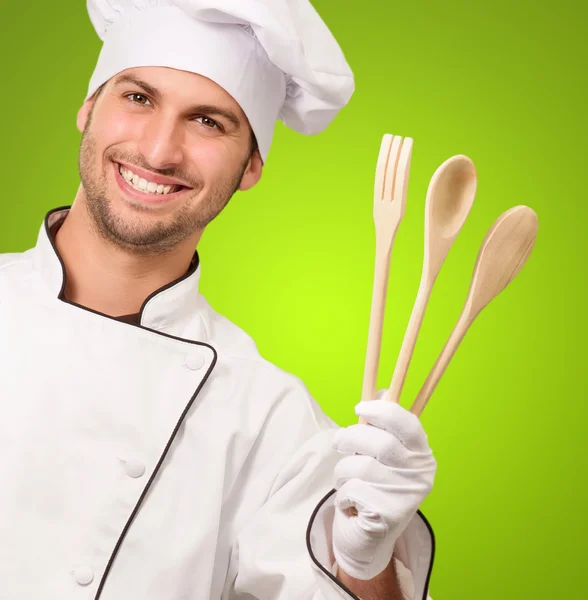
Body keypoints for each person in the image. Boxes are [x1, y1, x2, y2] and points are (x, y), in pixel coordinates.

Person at [0, 1, 438, 598]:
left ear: (252, 164)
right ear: (87, 109)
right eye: (138, 98)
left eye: (208, 122)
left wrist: (366, 562)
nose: (158, 151)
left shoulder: (271, 420)